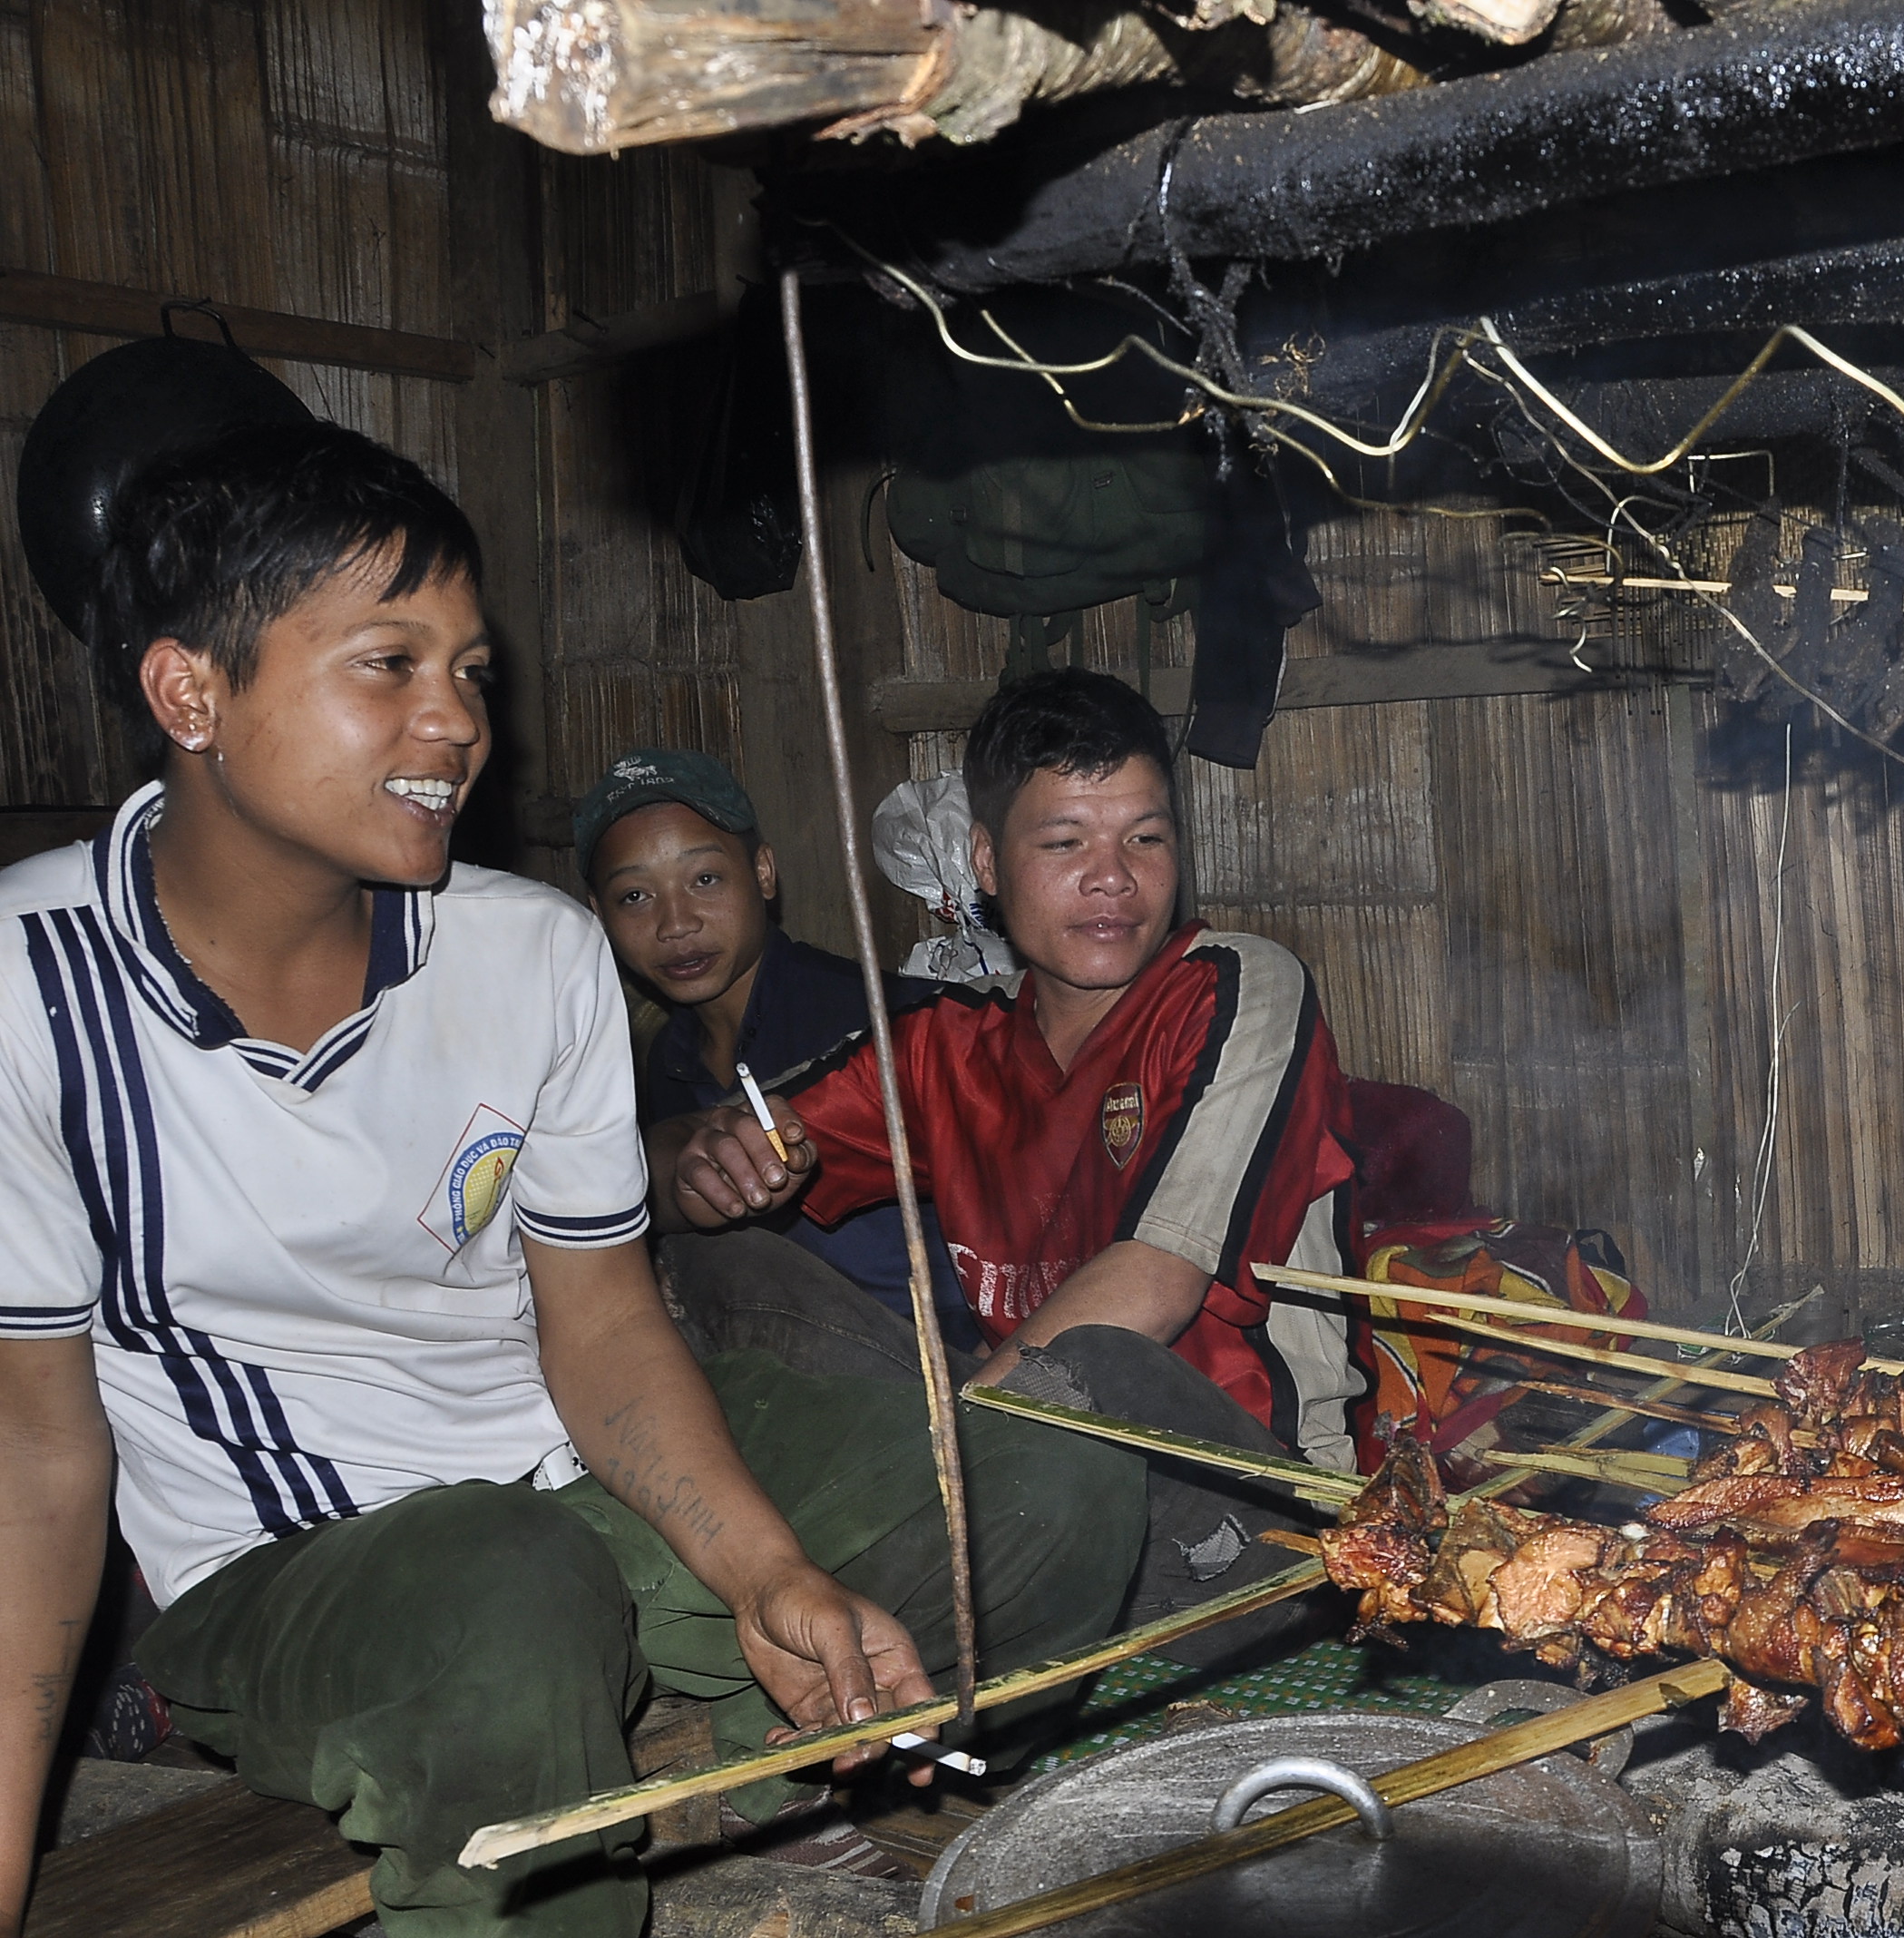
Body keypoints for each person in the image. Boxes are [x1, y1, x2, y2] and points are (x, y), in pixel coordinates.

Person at [0, 424, 1144, 1938]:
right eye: (387, 664)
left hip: (567, 1485)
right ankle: (560, 1763)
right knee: (515, 1597)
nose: (453, 723)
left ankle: (717, 1771)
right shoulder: (32, 982)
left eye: (469, 673)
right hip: (305, 1564)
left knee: (1058, 1491)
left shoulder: (530, 947)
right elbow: (38, 1463)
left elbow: (601, 1327)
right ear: (190, 692)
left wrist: (762, 1568)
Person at [648, 669, 1361, 1655]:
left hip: (1240, 1498)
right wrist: (698, 1162)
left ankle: (917, 1550)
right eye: (1066, 843)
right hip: (1023, 1463)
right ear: (986, 859)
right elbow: (693, 1162)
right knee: (720, 1265)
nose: (1113, 878)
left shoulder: (1237, 986)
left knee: (1101, 1360)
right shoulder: (948, 1046)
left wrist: (941, 1453)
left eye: (1145, 839)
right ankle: (901, 1552)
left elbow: (1156, 1282)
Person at [575, 749, 977, 1357]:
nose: (676, 923)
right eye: (636, 897)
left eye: (705, 879)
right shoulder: (663, 1060)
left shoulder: (884, 1020)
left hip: (932, 1374)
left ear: (763, 873)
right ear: (597, 914)